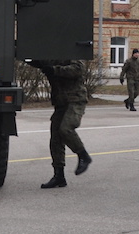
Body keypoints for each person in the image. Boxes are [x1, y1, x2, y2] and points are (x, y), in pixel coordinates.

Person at [29, 59, 92, 189]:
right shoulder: (49, 56)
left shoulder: (69, 50)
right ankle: (59, 176)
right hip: (60, 102)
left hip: (76, 100)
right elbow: (34, 60)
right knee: (55, 139)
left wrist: (55, 70)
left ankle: (83, 156)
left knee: (66, 129)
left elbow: (78, 69)